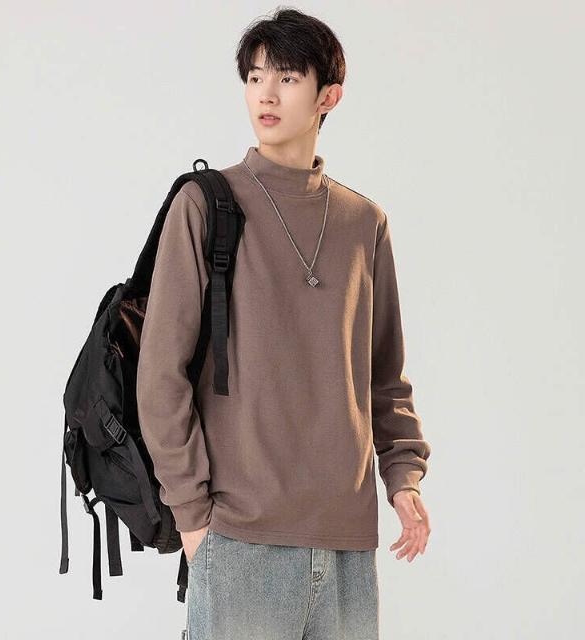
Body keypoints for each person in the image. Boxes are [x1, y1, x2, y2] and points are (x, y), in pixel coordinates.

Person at [137, 7, 431, 639]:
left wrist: (403, 478)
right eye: (255, 76)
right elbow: (160, 375)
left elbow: (383, 377)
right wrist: (193, 520)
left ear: (329, 96)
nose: (265, 94)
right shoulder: (205, 205)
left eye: (288, 77)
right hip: (239, 539)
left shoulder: (364, 223)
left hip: (347, 544)